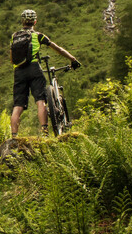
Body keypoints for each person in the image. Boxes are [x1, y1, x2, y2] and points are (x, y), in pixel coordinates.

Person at [9, 9, 81, 138]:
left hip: (18, 71)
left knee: (18, 105)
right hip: (34, 68)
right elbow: (57, 49)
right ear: (35, 21)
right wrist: (73, 60)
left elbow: (11, 59)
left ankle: (14, 136)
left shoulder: (14, 37)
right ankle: (44, 132)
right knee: (40, 100)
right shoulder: (38, 35)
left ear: (22, 21)